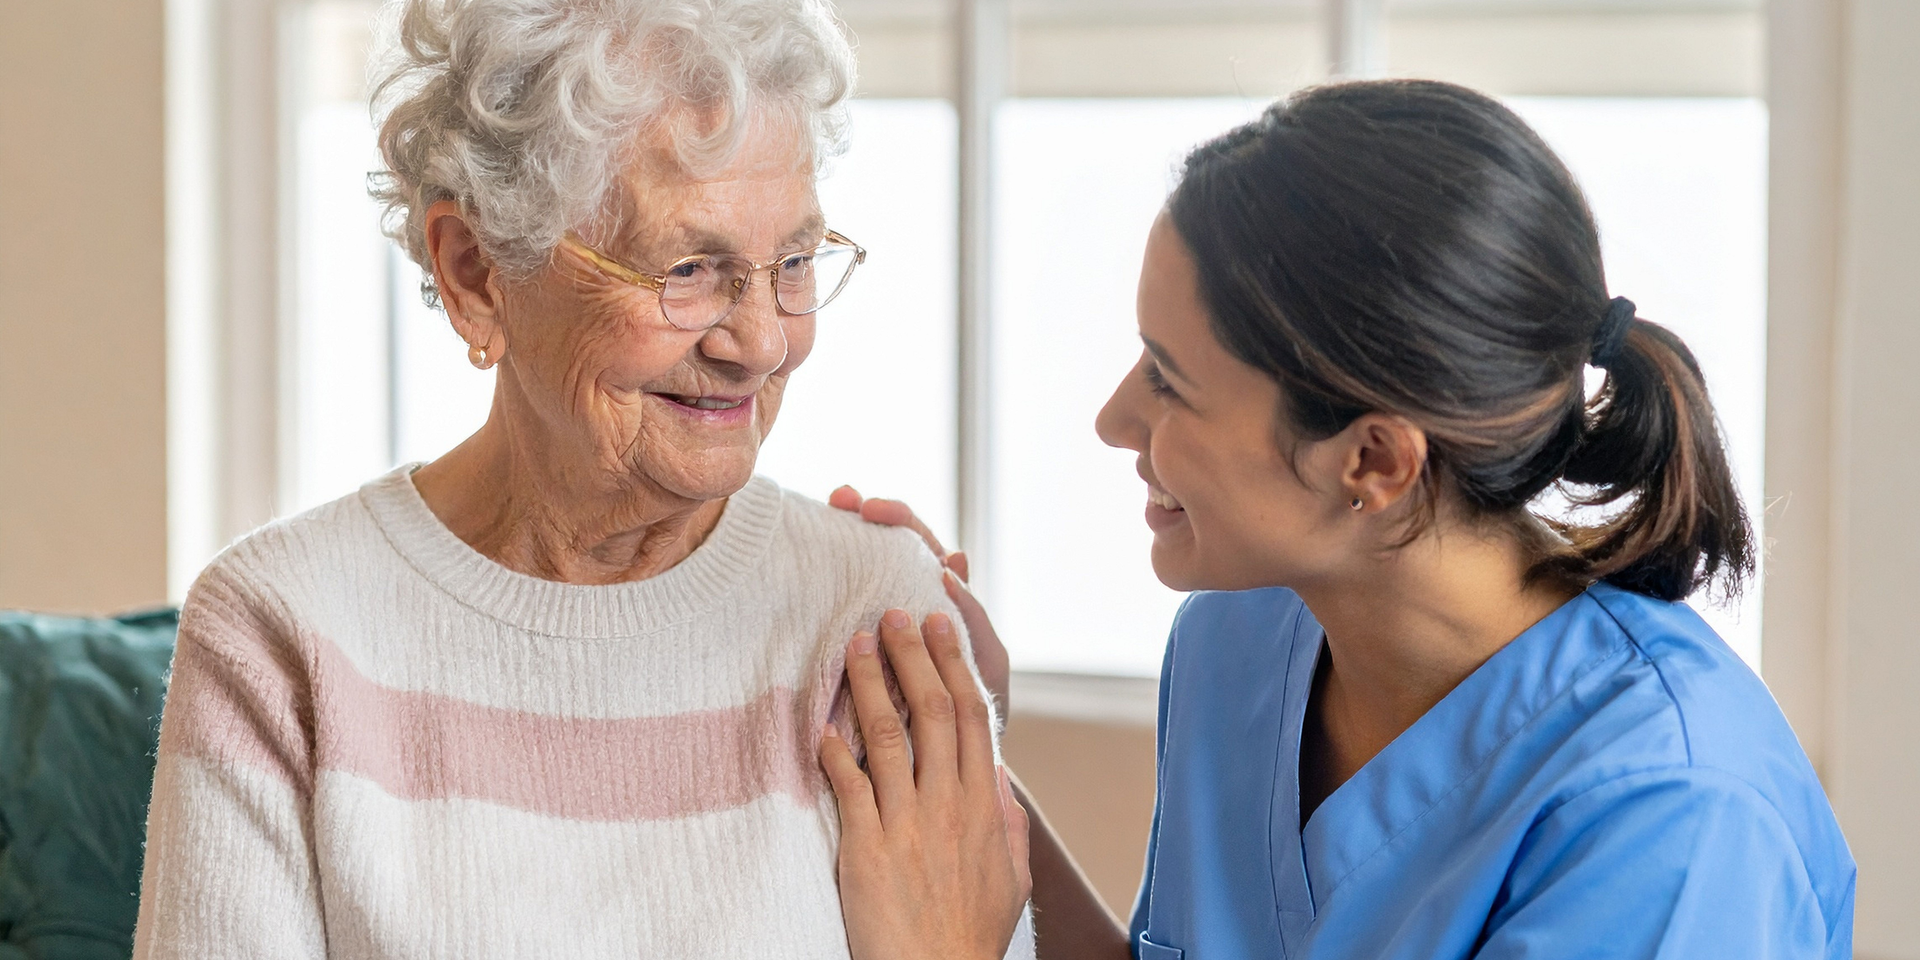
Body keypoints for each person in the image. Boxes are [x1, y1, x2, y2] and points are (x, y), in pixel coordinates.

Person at [820, 79, 1855, 960]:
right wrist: (960, 748)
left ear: (1371, 460)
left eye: (1170, 383)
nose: (1112, 419)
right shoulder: (1243, 639)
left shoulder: (1675, 820)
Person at [131, 1, 1035, 957]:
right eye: (688, 268)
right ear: (478, 272)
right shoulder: (281, 630)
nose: (765, 343)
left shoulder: (873, 617)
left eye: (795, 262)